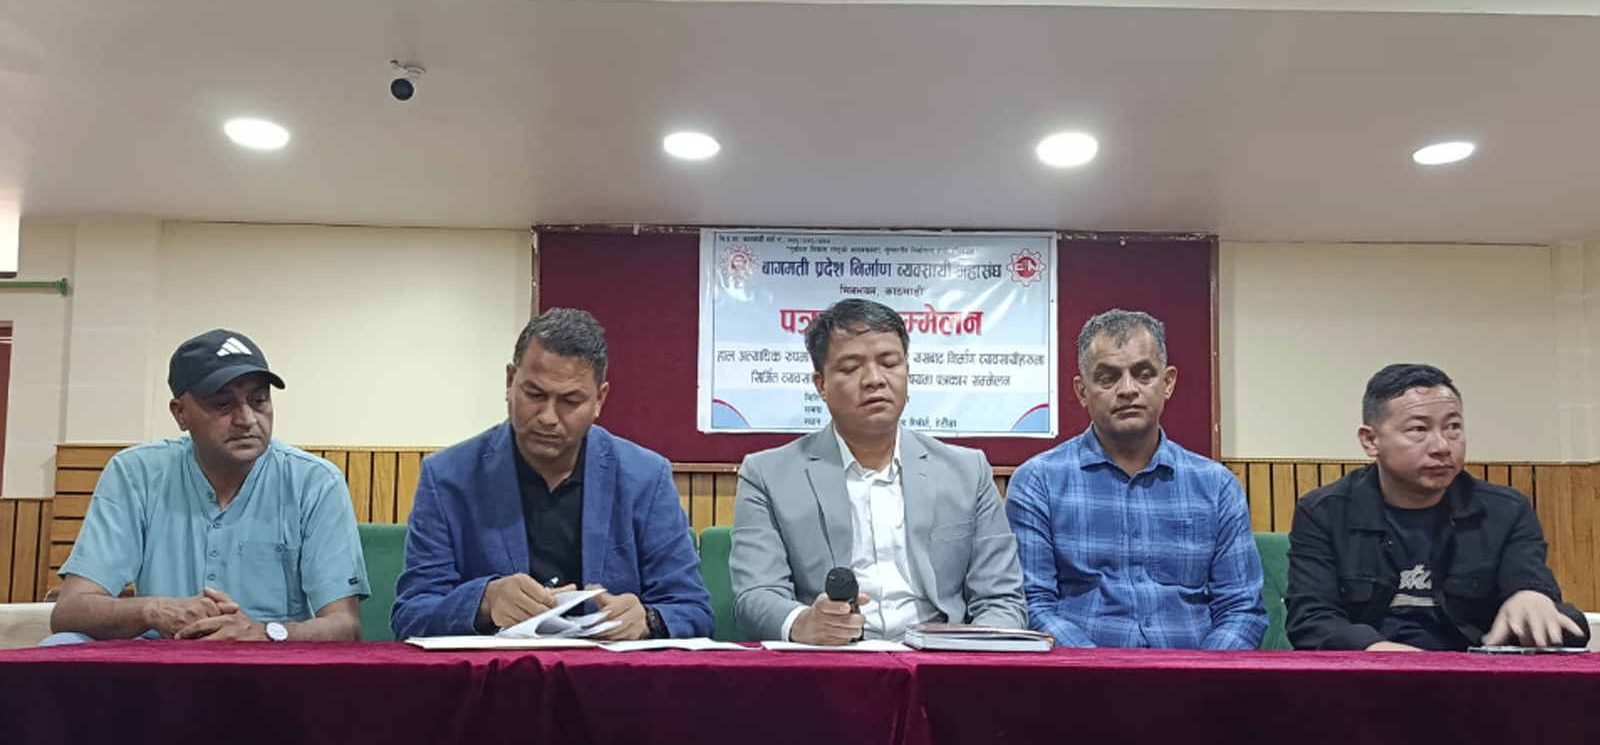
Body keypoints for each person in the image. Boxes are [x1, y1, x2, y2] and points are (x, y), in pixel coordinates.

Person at [391, 308, 711, 640]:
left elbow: (693, 609)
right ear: (510, 381)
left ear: (599, 399)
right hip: (496, 671)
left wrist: (648, 620)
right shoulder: (447, 478)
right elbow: (411, 615)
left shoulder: (645, 477)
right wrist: (484, 603)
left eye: (570, 401)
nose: (548, 417)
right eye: (534, 394)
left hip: (609, 670)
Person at [730, 298, 1026, 644]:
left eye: (889, 363)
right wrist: (803, 622)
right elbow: (756, 594)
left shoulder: (966, 471)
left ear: (907, 371)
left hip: (941, 659)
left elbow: (1001, 599)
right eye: (851, 368)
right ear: (821, 384)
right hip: (829, 658)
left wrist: (970, 655)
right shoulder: (767, 475)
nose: (874, 380)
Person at [48, 329, 368, 644]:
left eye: (259, 401)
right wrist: (153, 610)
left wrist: (264, 632)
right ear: (180, 414)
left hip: (272, 662)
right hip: (160, 660)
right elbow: (70, 611)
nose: (247, 419)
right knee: (60, 645)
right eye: (222, 405)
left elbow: (345, 626)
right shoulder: (135, 474)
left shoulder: (315, 482)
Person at [1006, 309, 1265, 648]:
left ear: (1167, 382)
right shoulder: (1038, 482)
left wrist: (1200, 673)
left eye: (1143, 374)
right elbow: (1033, 604)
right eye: (1108, 378)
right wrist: (1099, 670)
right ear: (1082, 391)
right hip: (1079, 675)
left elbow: (1241, 609)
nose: (1128, 389)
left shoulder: (1217, 486)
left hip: (1198, 674)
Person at [1286, 363, 1589, 651]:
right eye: (1418, 429)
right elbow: (1311, 617)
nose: (1442, 446)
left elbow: (1530, 583)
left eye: (1453, 427)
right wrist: (1378, 653)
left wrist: (1531, 596)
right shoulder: (1324, 511)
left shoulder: (1507, 511)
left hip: (1475, 676)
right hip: (1367, 675)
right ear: (1370, 440)